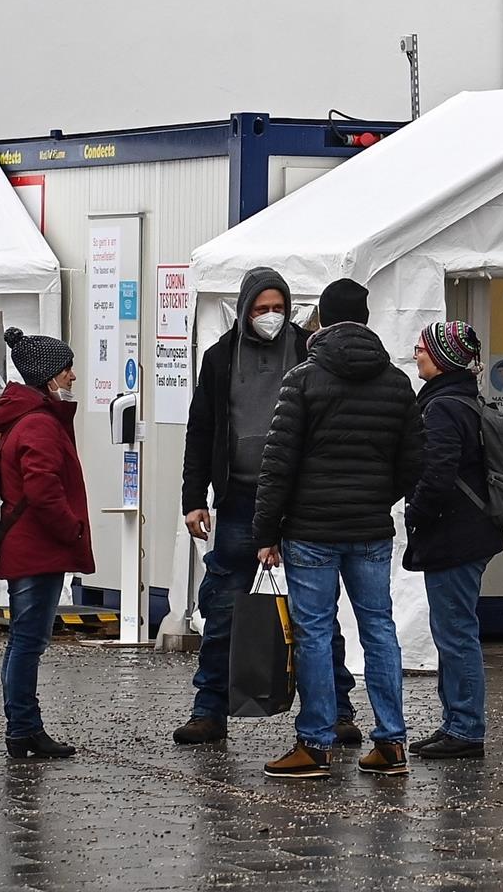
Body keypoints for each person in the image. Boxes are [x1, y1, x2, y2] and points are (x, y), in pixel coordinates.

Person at [174, 267, 360, 748]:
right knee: (223, 607)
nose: (271, 317)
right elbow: (201, 430)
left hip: (301, 500)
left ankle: (337, 710)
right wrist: (194, 498)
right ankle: (209, 709)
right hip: (239, 498)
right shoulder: (218, 359)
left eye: (278, 308)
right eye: (261, 309)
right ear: (244, 310)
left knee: (315, 611)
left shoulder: (307, 350)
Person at [253, 278, 423, 779]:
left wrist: (266, 531)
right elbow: (412, 464)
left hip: (310, 529)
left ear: (322, 319)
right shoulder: (396, 383)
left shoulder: (302, 380)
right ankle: (391, 742)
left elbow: (277, 463)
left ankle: (316, 744)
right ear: (367, 319)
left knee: (314, 633)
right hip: (370, 528)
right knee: (380, 629)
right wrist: (375, 498)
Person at [0, 327, 94, 759]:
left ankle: (25, 726)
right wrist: (70, 529)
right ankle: (23, 728)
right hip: (37, 547)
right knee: (28, 642)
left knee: (24, 640)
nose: (72, 376)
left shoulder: (27, 418)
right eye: (66, 368)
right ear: (47, 374)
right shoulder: (39, 424)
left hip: (28, 545)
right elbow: (43, 488)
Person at [405, 320, 503, 759]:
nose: (416, 352)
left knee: (456, 632)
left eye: (423, 347)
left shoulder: (443, 408)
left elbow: (438, 473)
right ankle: (456, 723)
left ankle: (465, 728)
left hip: (454, 533)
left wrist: (415, 511)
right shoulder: (464, 400)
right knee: (453, 629)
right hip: (469, 532)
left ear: (443, 358)